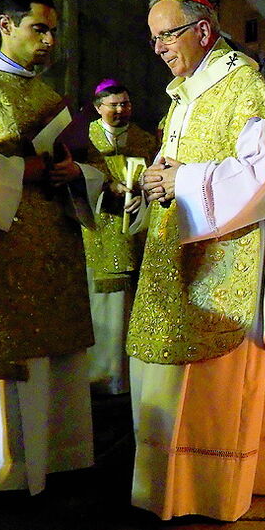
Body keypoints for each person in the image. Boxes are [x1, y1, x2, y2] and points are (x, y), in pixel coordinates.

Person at [129, 0, 265, 521]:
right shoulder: (188, 92)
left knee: (212, 386)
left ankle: (211, 488)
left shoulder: (241, 87)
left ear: (202, 32)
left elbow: (260, 179)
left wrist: (182, 180)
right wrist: (155, 179)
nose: (158, 48)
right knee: (169, 374)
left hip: (224, 263)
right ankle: (171, 487)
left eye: (167, 35)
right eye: (153, 37)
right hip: (174, 255)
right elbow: (176, 162)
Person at [0, 0, 103, 494]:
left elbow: (92, 168)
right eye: (38, 29)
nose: (48, 41)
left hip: (56, 249)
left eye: (53, 31)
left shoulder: (52, 98)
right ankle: (1, 473)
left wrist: (75, 173)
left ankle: (56, 459)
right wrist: (25, 168)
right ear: (5, 26)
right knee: (9, 355)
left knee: (55, 355)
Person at [82, 79, 157, 394]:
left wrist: (143, 192)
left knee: (126, 305)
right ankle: (96, 377)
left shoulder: (144, 140)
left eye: (125, 104)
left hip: (133, 232)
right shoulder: (85, 138)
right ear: (99, 107)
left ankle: (123, 378)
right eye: (114, 105)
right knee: (99, 307)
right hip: (96, 231)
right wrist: (105, 187)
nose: (121, 110)